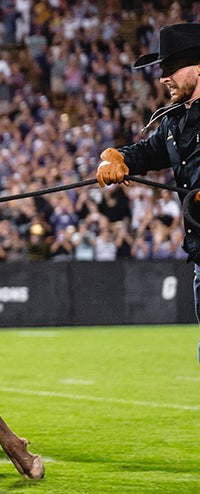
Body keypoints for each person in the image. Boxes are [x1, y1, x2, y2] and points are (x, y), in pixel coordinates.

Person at [95, 23, 200, 363]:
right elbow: (148, 152)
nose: (163, 78)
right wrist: (118, 157)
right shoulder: (174, 122)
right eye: (162, 70)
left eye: (171, 69)